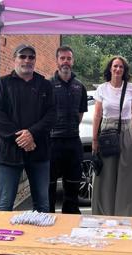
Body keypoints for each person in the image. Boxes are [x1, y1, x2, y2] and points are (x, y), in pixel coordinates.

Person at [0, 44, 56, 255]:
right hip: (9, 153)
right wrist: (22, 137)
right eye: (23, 57)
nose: (27, 61)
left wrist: (32, 134)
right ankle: (1, 253)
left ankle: (41, 246)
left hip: (39, 152)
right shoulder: (2, 84)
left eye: (31, 57)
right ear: (14, 59)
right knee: (5, 204)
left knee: (42, 203)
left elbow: (51, 115)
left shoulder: (44, 85)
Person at [91, 56, 132, 216]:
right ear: (110, 69)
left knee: (126, 175)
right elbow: (97, 115)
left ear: (124, 70)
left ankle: (123, 213)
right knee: (106, 175)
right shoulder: (102, 89)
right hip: (106, 132)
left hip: (126, 131)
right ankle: (104, 213)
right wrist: (94, 139)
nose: (118, 69)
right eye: (115, 66)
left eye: (121, 67)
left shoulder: (131, 88)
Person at [48, 46, 87, 215]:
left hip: (73, 142)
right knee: (48, 188)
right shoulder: (47, 85)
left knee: (72, 188)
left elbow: (80, 114)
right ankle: (48, 221)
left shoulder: (80, 87)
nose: (66, 62)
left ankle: (70, 222)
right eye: (62, 58)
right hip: (52, 142)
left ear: (73, 61)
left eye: (68, 58)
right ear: (57, 61)